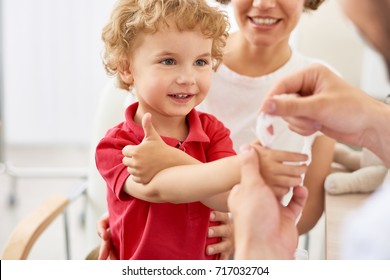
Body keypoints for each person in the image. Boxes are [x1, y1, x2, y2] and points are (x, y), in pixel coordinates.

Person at [97, 0, 335, 259]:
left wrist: (175, 159)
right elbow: (157, 189)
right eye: (168, 61)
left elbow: (228, 197)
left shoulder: (214, 131)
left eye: (201, 63)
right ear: (126, 68)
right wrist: (248, 164)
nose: (187, 78)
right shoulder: (116, 144)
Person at [229, 0, 390, 259]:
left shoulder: (323, 86)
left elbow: (310, 204)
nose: (263, 4)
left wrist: (249, 235)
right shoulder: (186, 66)